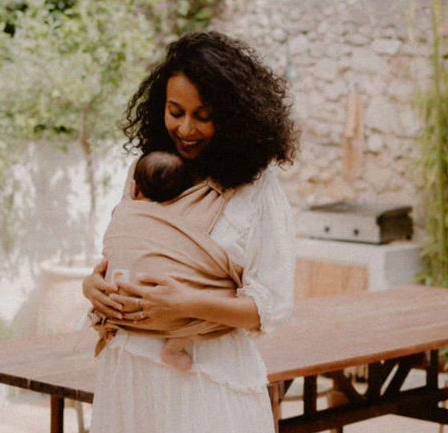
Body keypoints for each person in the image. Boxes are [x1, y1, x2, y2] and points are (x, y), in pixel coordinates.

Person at [81, 30, 297, 433]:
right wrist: (92, 287)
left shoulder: (255, 188)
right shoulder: (147, 171)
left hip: (206, 382)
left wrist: (187, 303)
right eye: (175, 111)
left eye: (203, 115)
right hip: (129, 374)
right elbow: (131, 250)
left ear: (232, 116)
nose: (185, 128)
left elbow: (271, 306)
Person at [89, 150, 238, 373]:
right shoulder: (184, 216)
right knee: (209, 296)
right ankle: (173, 348)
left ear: (134, 188)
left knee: (114, 280)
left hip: (120, 302)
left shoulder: (122, 212)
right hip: (172, 312)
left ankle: (107, 326)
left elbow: (112, 243)